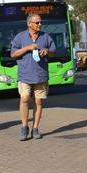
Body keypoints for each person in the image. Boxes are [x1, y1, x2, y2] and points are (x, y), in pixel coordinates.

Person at [10, 13, 56, 141]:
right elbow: (13, 54)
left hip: (41, 75)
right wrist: (27, 48)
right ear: (29, 24)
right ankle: (24, 127)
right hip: (25, 74)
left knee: (38, 101)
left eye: (41, 22)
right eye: (37, 23)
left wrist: (47, 51)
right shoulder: (20, 37)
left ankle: (35, 128)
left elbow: (53, 52)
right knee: (24, 98)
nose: (40, 24)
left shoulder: (45, 37)